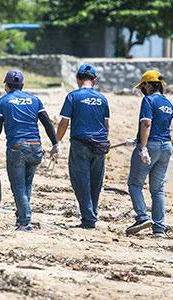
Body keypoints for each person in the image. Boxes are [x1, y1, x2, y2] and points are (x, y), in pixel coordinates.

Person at [0, 70, 59, 232]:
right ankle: (21, 218)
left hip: (17, 148)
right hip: (36, 147)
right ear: (22, 85)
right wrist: (56, 144)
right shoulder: (35, 100)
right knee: (26, 185)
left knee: (18, 187)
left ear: (6, 85)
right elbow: (48, 123)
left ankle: (26, 222)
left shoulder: (1, 102)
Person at [56, 64, 110, 230]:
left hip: (81, 143)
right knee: (96, 181)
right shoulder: (102, 98)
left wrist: (56, 141)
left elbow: (64, 122)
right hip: (100, 144)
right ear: (94, 80)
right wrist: (105, 140)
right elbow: (106, 124)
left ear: (78, 79)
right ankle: (91, 212)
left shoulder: (73, 96)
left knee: (80, 181)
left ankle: (88, 218)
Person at [125, 70, 173, 238]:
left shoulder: (148, 100)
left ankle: (142, 217)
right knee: (158, 190)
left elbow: (147, 124)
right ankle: (159, 228)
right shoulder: (168, 104)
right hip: (166, 146)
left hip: (151, 146)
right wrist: (137, 138)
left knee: (135, 184)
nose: (143, 89)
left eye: (143, 86)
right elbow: (161, 126)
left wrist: (143, 146)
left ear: (148, 85)